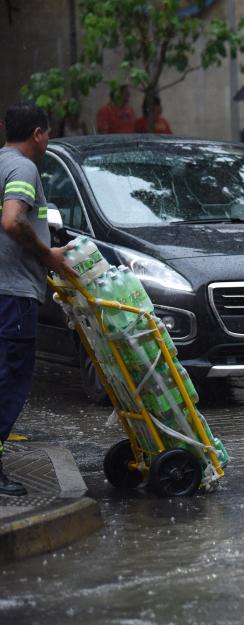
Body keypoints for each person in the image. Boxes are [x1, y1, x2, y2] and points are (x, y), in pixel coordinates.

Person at [0, 102, 77, 496]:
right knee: (10, 379)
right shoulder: (23, 168)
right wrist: (48, 256)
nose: (48, 140)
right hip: (12, 296)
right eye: (48, 133)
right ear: (37, 134)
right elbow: (12, 219)